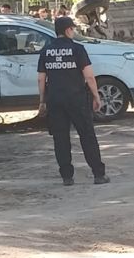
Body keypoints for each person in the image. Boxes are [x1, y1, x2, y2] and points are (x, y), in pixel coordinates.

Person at [37, 17, 109, 186]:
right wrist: (96, 96)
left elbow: (41, 79)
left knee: (60, 139)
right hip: (77, 99)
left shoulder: (46, 51)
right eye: (73, 29)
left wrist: (42, 101)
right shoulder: (78, 49)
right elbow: (89, 76)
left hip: (55, 100)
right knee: (87, 136)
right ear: (68, 30)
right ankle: (98, 174)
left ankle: (67, 177)